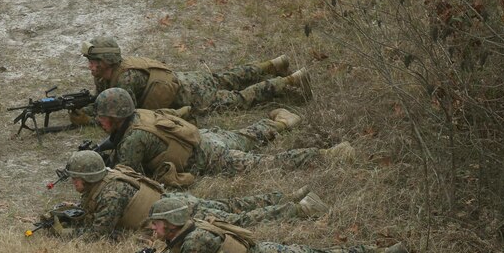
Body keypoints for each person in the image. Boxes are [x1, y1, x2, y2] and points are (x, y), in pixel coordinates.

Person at [91, 88, 353, 186]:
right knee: (244, 136)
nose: (100, 122)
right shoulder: (139, 115)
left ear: (116, 117)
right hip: (204, 138)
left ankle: (329, 155)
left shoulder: (133, 140)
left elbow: (129, 180)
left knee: (267, 164)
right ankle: (282, 123)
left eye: (103, 117)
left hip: (208, 157)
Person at [53, 151, 330, 241]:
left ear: (89, 177)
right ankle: (290, 196)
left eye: (76, 178)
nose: (73, 182)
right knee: (234, 206)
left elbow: (97, 235)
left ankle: (300, 209)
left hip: (182, 214)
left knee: (240, 219)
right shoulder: (109, 177)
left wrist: (61, 233)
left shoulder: (110, 193)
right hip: (179, 203)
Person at [144, 196, 415, 253]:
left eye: (156, 224)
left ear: (171, 223)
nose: (153, 229)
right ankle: (378, 249)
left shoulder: (193, 241)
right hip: (269, 252)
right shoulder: (193, 230)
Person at [73, 36, 310, 123]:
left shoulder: (125, 80)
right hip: (187, 79)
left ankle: (291, 81)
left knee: (241, 98)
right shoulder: (108, 74)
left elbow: (125, 117)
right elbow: (101, 99)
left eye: (93, 61)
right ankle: (275, 64)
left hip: (194, 96)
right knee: (229, 77)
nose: (89, 65)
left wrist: (90, 119)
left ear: (106, 61)